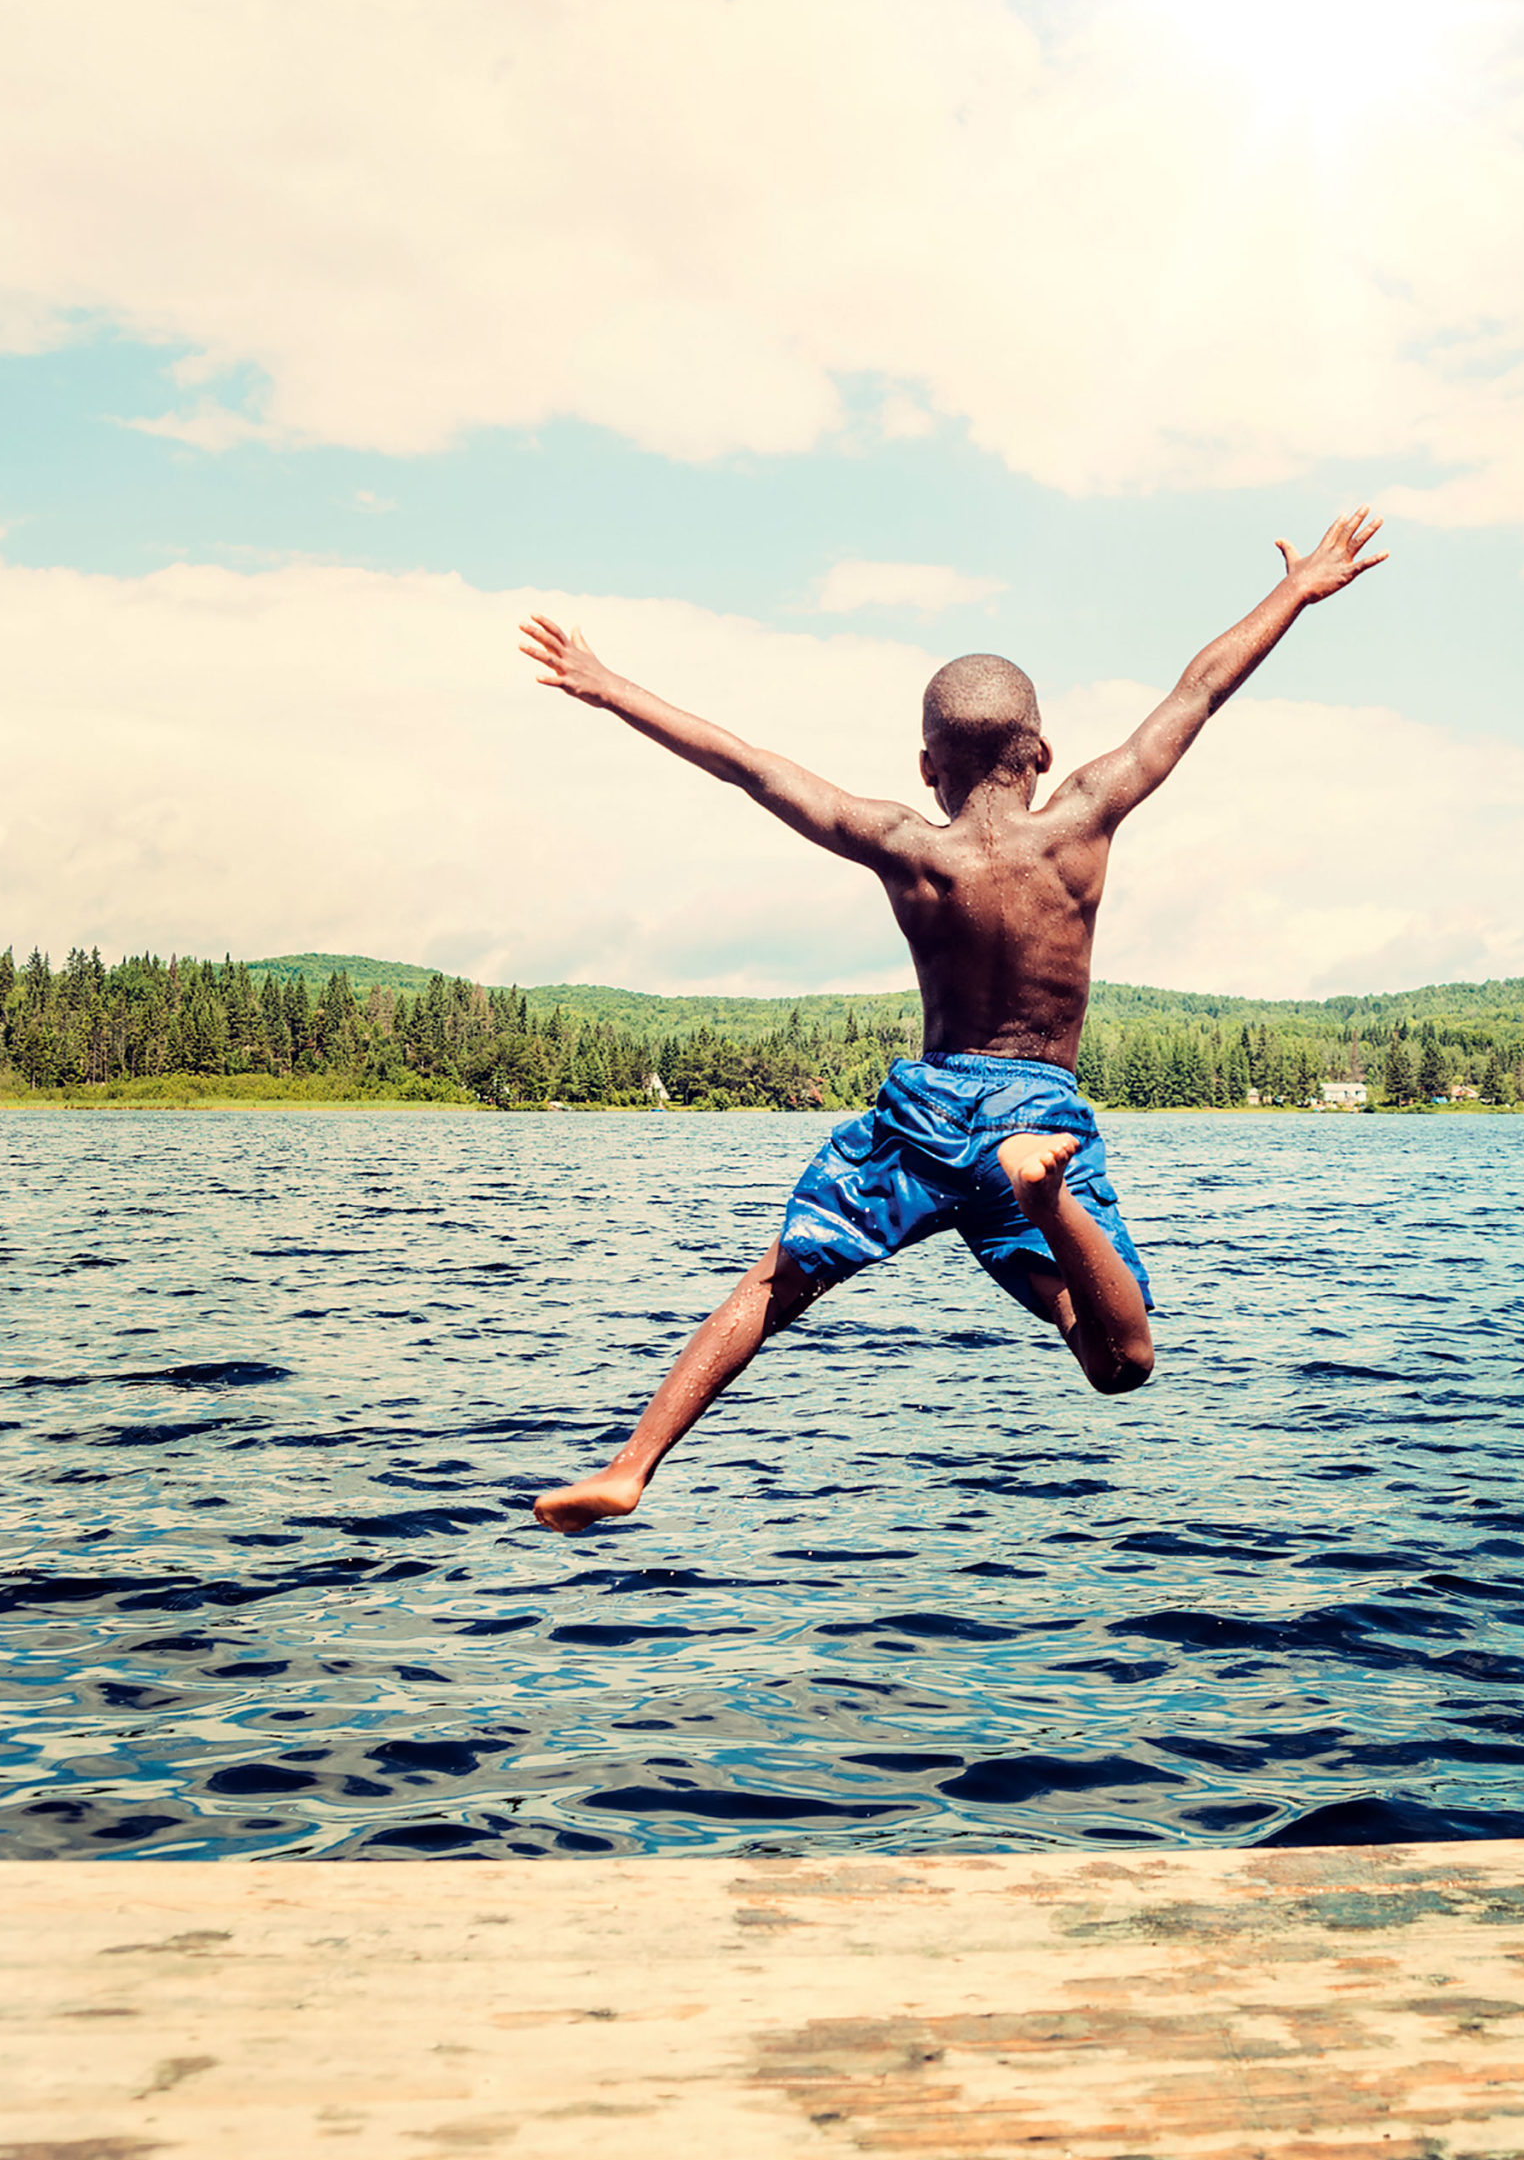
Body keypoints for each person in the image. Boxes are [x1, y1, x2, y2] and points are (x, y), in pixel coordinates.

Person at [520, 508, 1386, 1530]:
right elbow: (1196, 693)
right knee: (1118, 1359)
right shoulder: (1085, 817)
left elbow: (748, 765)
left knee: (778, 1281)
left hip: (925, 1111)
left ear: (927, 767)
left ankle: (629, 1468)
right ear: (1041, 752)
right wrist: (1295, 589)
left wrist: (606, 683)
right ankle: (1049, 1201)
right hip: (1036, 1110)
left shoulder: (903, 844)